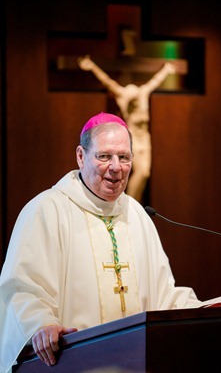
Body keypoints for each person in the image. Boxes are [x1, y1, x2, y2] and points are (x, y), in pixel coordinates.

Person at [0, 112, 201, 373]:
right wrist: (40, 325)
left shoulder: (137, 214)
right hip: (70, 363)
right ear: (81, 157)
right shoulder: (46, 209)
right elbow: (22, 288)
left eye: (124, 157)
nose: (116, 166)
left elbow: (162, 294)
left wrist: (206, 310)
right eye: (104, 156)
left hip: (135, 363)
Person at [78, 56, 185, 202]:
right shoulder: (122, 95)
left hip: (144, 137)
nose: (134, 103)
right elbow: (107, 81)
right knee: (132, 171)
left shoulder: (142, 93)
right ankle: (130, 201)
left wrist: (166, 70)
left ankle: (135, 201)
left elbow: (155, 81)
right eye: (131, 101)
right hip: (132, 137)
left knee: (144, 173)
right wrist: (91, 66)